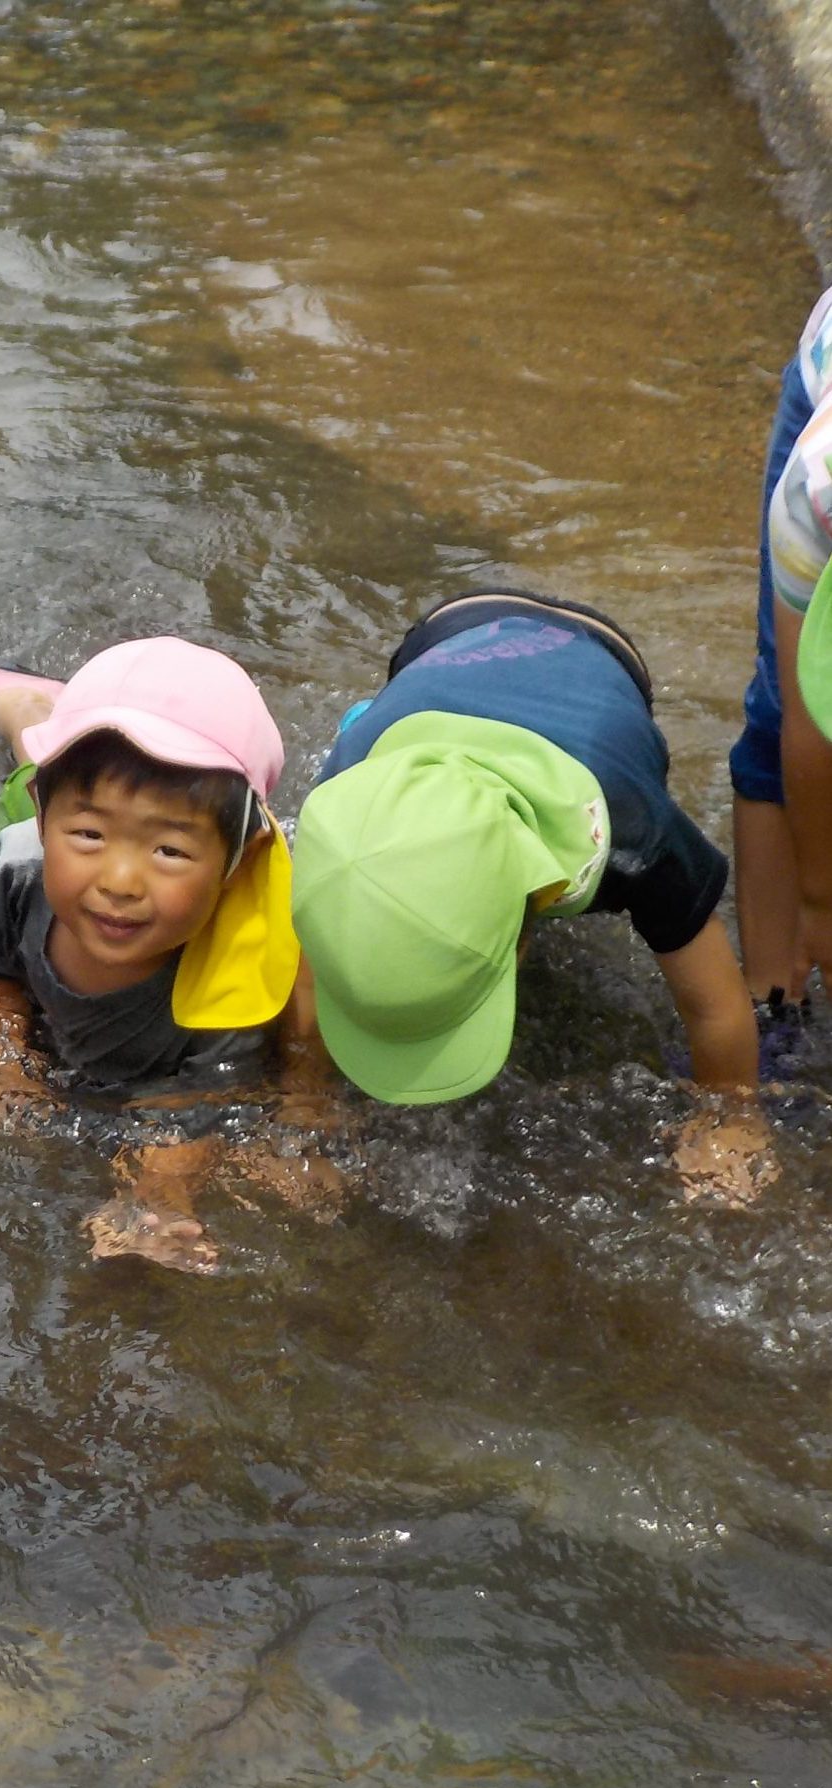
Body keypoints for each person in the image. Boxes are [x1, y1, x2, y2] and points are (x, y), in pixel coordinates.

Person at [291, 588, 770, 1204]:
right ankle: (380, 715)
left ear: (523, 941)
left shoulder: (631, 837)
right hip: (443, 639)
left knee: (635, 806)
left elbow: (715, 1005)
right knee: (368, 767)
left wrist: (730, 1121)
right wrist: (304, 1105)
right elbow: (313, 959)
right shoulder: (345, 810)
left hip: (600, 658)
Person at [0, 640, 337, 1271]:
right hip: (40, 826)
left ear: (237, 862)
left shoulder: (239, 960)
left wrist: (158, 1193)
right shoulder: (15, 865)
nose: (121, 881)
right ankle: (26, 707)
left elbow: (203, 1098)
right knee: (31, 764)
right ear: (48, 820)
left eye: (169, 851)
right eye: (89, 834)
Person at [729, 288, 832, 1039]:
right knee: (776, 708)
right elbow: (809, 717)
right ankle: (771, 1006)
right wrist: (821, 900)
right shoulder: (815, 497)